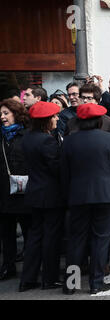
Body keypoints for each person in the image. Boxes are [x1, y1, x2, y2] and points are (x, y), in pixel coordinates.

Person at [61, 103, 110, 295]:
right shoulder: (109, 139)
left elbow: (63, 172)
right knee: (101, 239)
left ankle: (72, 283)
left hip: (78, 196)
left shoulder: (69, 141)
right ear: (99, 121)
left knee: (76, 239)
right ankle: (96, 283)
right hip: (105, 195)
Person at [19, 101, 65, 292]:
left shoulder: (28, 138)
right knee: (51, 238)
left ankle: (28, 279)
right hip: (50, 196)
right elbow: (57, 168)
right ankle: (50, 278)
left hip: (34, 193)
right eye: (53, 117)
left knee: (34, 237)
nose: (56, 119)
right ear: (45, 121)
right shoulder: (47, 141)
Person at [0, 99, 32, 282]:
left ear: (16, 113)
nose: (2, 117)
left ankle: (30, 267)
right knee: (7, 233)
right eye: (1, 114)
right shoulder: (1, 136)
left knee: (29, 231)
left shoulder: (26, 134)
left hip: (24, 191)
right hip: (4, 192)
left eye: (6, 113)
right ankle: (8, 266)